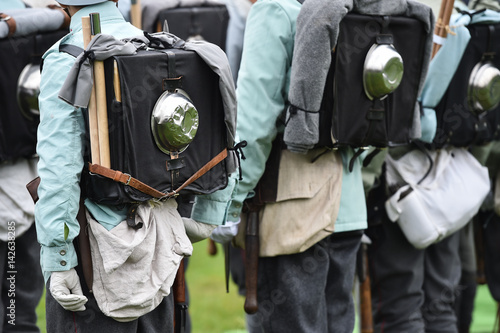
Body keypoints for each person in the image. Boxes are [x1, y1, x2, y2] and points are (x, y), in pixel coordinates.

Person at [35, 0, 229, 331]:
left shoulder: (66, 56)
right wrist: (209, 213)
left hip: (94, 253)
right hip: (161, 241)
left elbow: (59, 169)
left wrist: (59, 257)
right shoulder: (153, 45)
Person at [193, 0, 368, 331]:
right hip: (350, 207)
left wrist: (228, 204)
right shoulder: (353, 9)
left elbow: (254, 124)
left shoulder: (276, 10)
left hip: (292, 213)